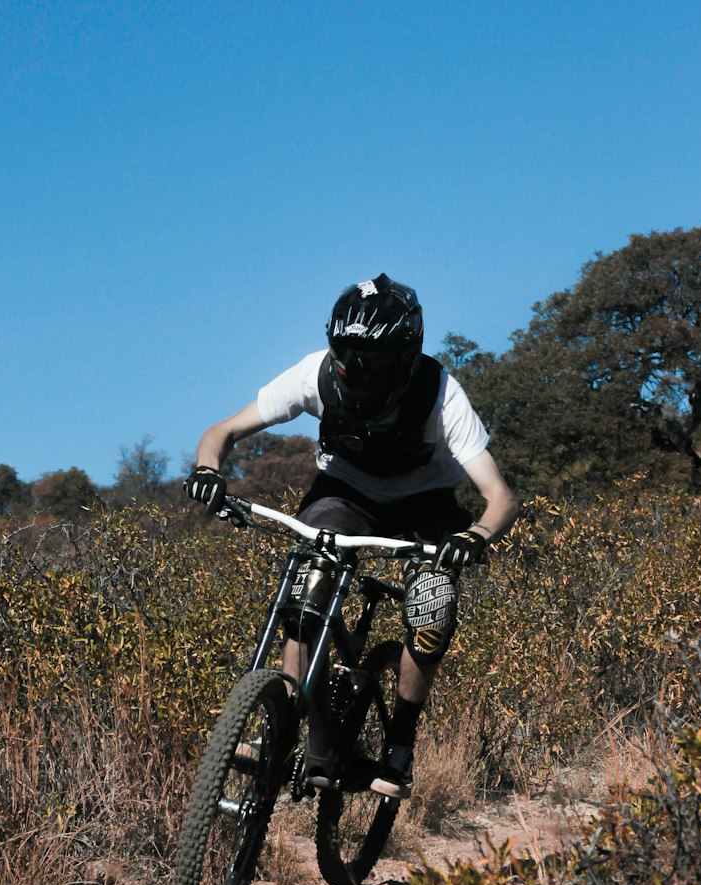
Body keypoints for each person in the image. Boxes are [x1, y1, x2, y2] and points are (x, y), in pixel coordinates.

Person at [185, 273, 519, 798]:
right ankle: (285, 724)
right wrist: (208, 469)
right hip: (346, 494)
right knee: (305, 588)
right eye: (349, 353)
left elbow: (500, 497)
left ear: (407, 353)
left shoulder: (440, 395)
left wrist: (476, 534)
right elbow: (220, 433)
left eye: (377, 358)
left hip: (425, 503)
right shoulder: (311, 377)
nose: (361, 369)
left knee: (431, 606)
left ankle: (400, 743)